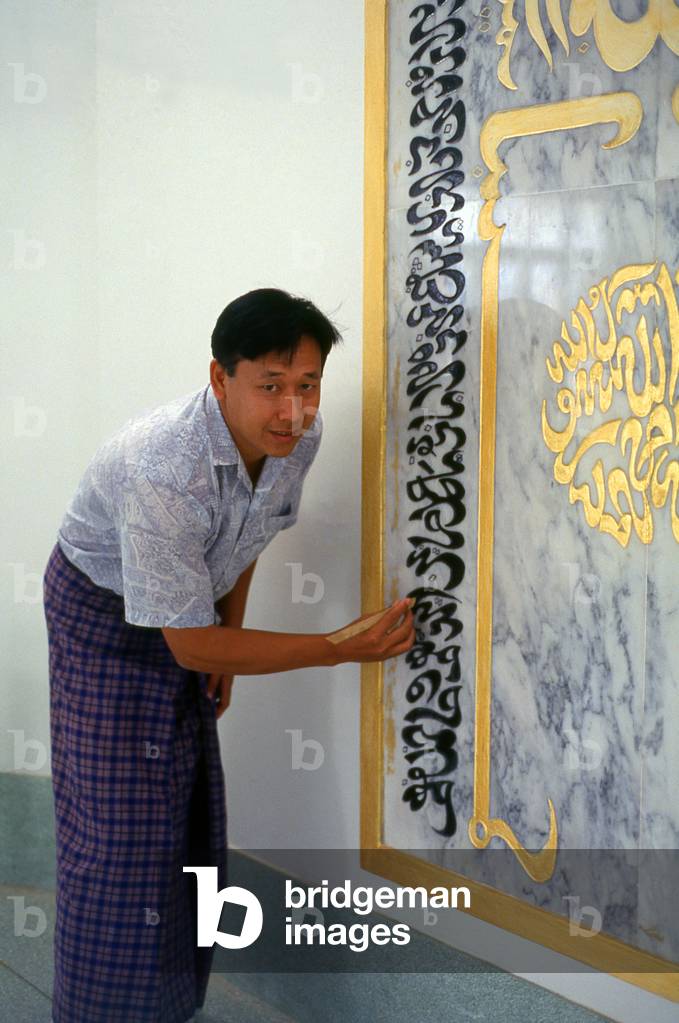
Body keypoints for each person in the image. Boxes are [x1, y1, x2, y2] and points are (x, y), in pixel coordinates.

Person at [42, 286, 415, 1023]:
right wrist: (338, 647)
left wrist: (226, 635)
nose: (293, 409)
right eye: (270, 385)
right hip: (101, 618)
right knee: (116, 841)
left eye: (307, 384)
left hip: (190, 612)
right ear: (221, 377)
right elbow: (187, 643)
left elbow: (243, 539)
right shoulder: (163, 468)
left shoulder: (294, 441)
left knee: (187, 818)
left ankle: (169, 1008)